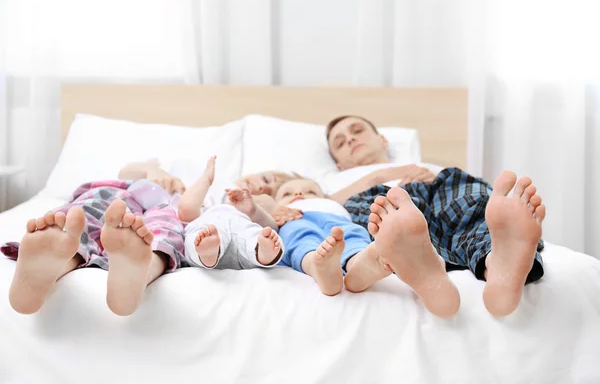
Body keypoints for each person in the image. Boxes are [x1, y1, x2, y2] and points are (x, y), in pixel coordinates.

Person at [321, 115, 547, 317]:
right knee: (386, 219)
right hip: (383, 200)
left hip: (438, 186)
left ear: (383, 140)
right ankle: (424, 263)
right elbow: (320, 205)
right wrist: (382, 176)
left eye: (357, 130)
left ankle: (497, 261)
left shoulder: (426, 166)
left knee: (471, 203)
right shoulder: (338, 185)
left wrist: (413, 173)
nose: (350, 139)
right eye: (340, 142)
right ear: (339, 165)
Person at [2, 179, 186, 316]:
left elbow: (192, 209)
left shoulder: (179, 197)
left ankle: (138, 272)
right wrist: (155, 173)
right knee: (78, 220)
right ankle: (51, 264)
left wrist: (182, 190)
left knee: (163, 230)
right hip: (114, 196)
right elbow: (131, 169)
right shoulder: (134, 178)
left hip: (164, 206)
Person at [225, 177, 394, 297]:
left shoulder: (333, 205)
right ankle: (316, 265)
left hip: (337, 222)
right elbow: (259, 216)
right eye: (286, 194)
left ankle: (359, 266)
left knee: (354, 235)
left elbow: (372, 179)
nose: (298, 193)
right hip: (294, 223)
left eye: (311, 191)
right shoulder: (282, 213)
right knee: (300, 238)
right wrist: (254, 208)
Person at [177, 156, 284, 271]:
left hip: (240, 233)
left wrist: (253, 210)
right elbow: (186, 210)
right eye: (265, 179)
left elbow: (272, 228)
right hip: (208, 229)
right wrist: (206, 180)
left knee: (253, 235)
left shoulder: (264, 202)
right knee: (196, 236)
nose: (261, 187)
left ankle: (262, 252)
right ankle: (208, 253)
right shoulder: (212, 192)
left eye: (269, 193)